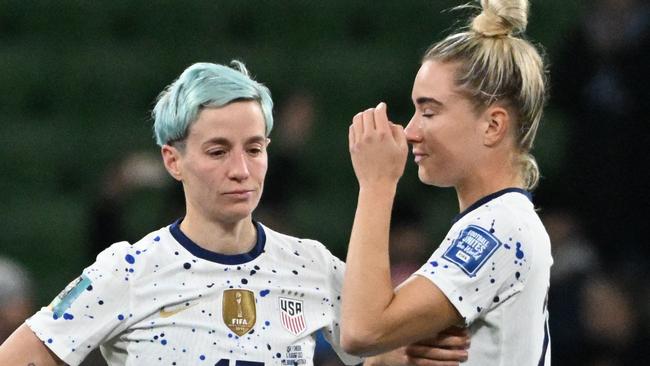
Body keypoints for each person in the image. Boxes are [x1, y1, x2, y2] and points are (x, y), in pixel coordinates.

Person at [0, 61, 469, 366]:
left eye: (255, 148)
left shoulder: (311, 264)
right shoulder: (128, 269)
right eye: (218, 151)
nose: (241, 170)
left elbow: (378, 353)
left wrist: (413, 352)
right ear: (173, 160)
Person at [341, 0, 552, 365]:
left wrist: (376, 184)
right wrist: (392, 357)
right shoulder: (494, 220)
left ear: (492, 125)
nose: (410, 131)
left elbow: (362, 331)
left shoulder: (498, 228)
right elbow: (372, 345)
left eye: (429, 111)